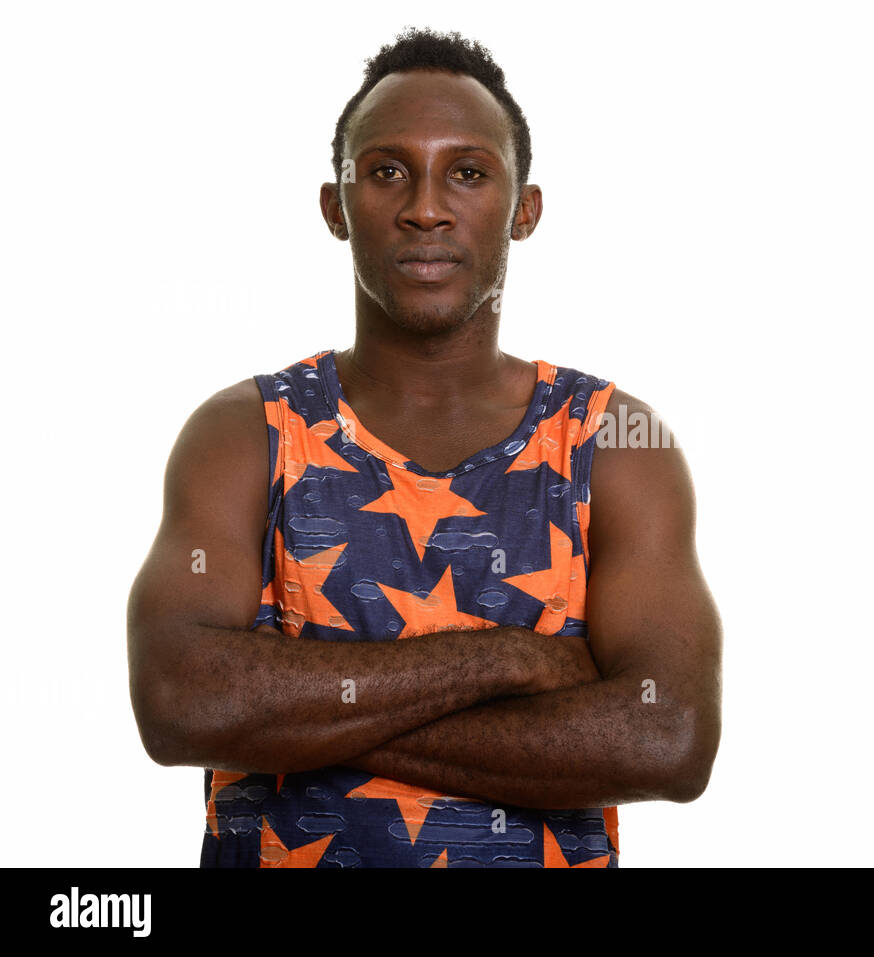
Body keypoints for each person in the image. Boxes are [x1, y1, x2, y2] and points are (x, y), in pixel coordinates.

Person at [126, 28, 722, 867]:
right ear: (336, 206)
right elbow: (179, 700)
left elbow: (667, 734)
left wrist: (293, 710)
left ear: (526, 208)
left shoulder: (614, 441)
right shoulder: (246, 433)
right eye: (387, 170)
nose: (426, 206)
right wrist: (508, 659)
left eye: (468, 172)